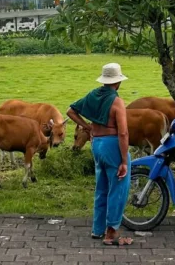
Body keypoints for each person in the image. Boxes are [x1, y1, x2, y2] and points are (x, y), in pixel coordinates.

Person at [67, 63, 133, 246]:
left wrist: (88, 127)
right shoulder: (117, 101)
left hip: (97, 144)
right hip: (113, 145)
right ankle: (111, 232)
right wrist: (124, 160)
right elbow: (123, 133)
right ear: (118, 81)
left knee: (101, 187)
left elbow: (70, 111)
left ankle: (98, 229)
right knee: (118, 188)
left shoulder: (93, 95)